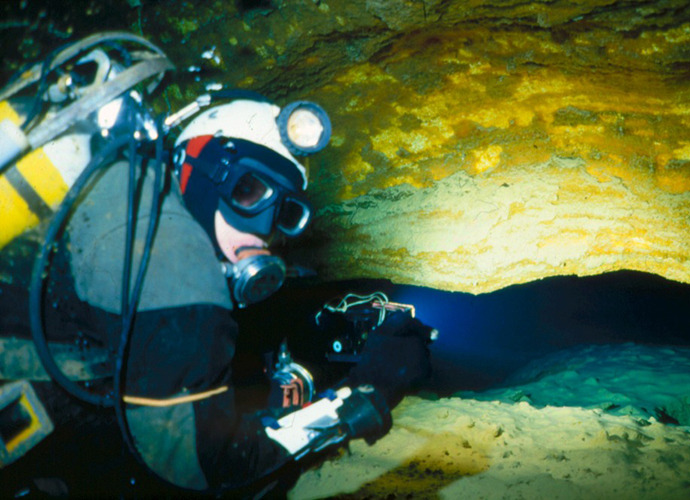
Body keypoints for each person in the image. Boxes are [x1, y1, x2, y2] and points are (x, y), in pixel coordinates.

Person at [0, 32, 433, 496]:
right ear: (196, 168)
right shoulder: (177, 261)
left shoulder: (129, 198)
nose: (262, 227)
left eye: (284, 214)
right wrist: (368, 393)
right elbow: (207, 468)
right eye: (248, 191)